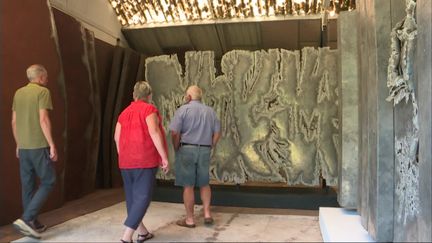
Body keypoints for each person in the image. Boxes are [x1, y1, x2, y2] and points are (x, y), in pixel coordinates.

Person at [114, 81, 169, 243]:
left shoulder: (123, 113)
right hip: (144, 160)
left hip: (125, 161)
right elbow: (154, 132)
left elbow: (116, 137)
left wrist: (123, 155)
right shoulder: (149, 109)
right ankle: (126, 237)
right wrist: (164, 157)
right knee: (143, 197)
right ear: (149, 96)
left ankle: (143, 233)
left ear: (134, 95)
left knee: (132, 198)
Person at [11, 64, 58, 239]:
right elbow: (43, 119)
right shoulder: (42, 92)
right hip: (38, 145)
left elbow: (14, 122)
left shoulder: (18, 93)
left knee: (28, 186)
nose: (47, 79)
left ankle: (32, 222)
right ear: (40, 78)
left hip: (23, 147)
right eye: (45, 76)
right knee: (49, 180)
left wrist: (18, 143)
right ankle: (27, 218)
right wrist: (51, 144)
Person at [169, 85, 221, 228]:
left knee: (188, 186)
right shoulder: (210, 112)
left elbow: (174, 132)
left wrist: (176, 146)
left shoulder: (183, 110)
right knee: (204, 183)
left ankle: (190, 220)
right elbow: (217, 132)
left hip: (186, 149)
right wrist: (211, 145)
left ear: (189, 97)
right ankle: (207, 214)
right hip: (204, 150)